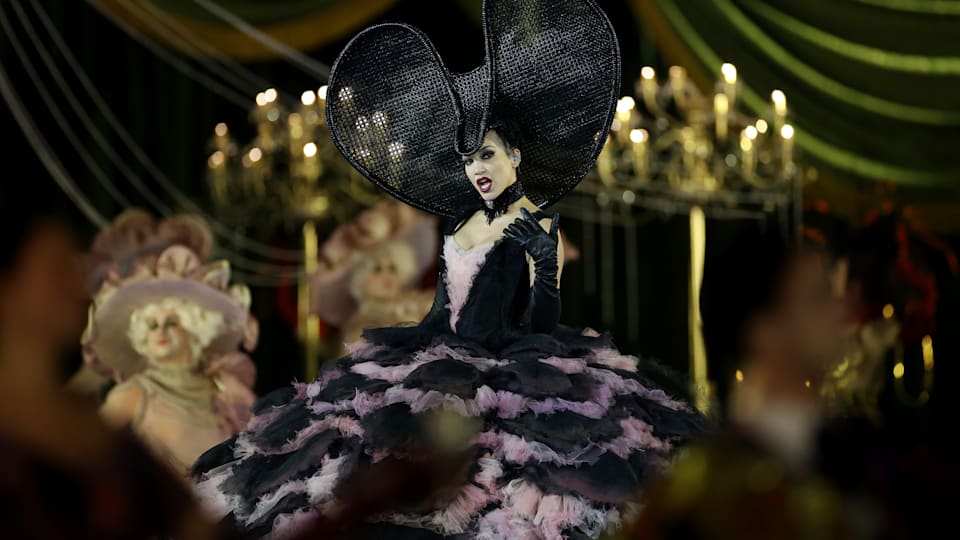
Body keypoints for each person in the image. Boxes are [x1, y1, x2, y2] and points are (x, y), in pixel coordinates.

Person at [193, 1, 705, 538]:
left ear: (516, 157)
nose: (476, 169)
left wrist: (546, 263)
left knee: (509, 482)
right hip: (444, 353)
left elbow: (539, 321)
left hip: (513, 364)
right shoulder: (459, 224)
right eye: (468, 158)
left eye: (485, 154)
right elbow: (444, 307)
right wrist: (414, 350)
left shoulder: (534, 221)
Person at [0, 195, 235, 540]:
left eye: (73, 268)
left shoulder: (107, 438)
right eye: (55, 269)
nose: (76, 287)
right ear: (7, 286)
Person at [624, 227, 853, 540]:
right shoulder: (707, 489)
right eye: (819, 296)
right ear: (763, 330)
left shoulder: (861, 456)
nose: (840, 311)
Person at [80, 214, 260, 476]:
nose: (161, 331)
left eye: (172, 322)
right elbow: (92, 470)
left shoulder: (226, 393)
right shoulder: (131, 397)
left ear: (196, 328)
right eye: (152, 325)